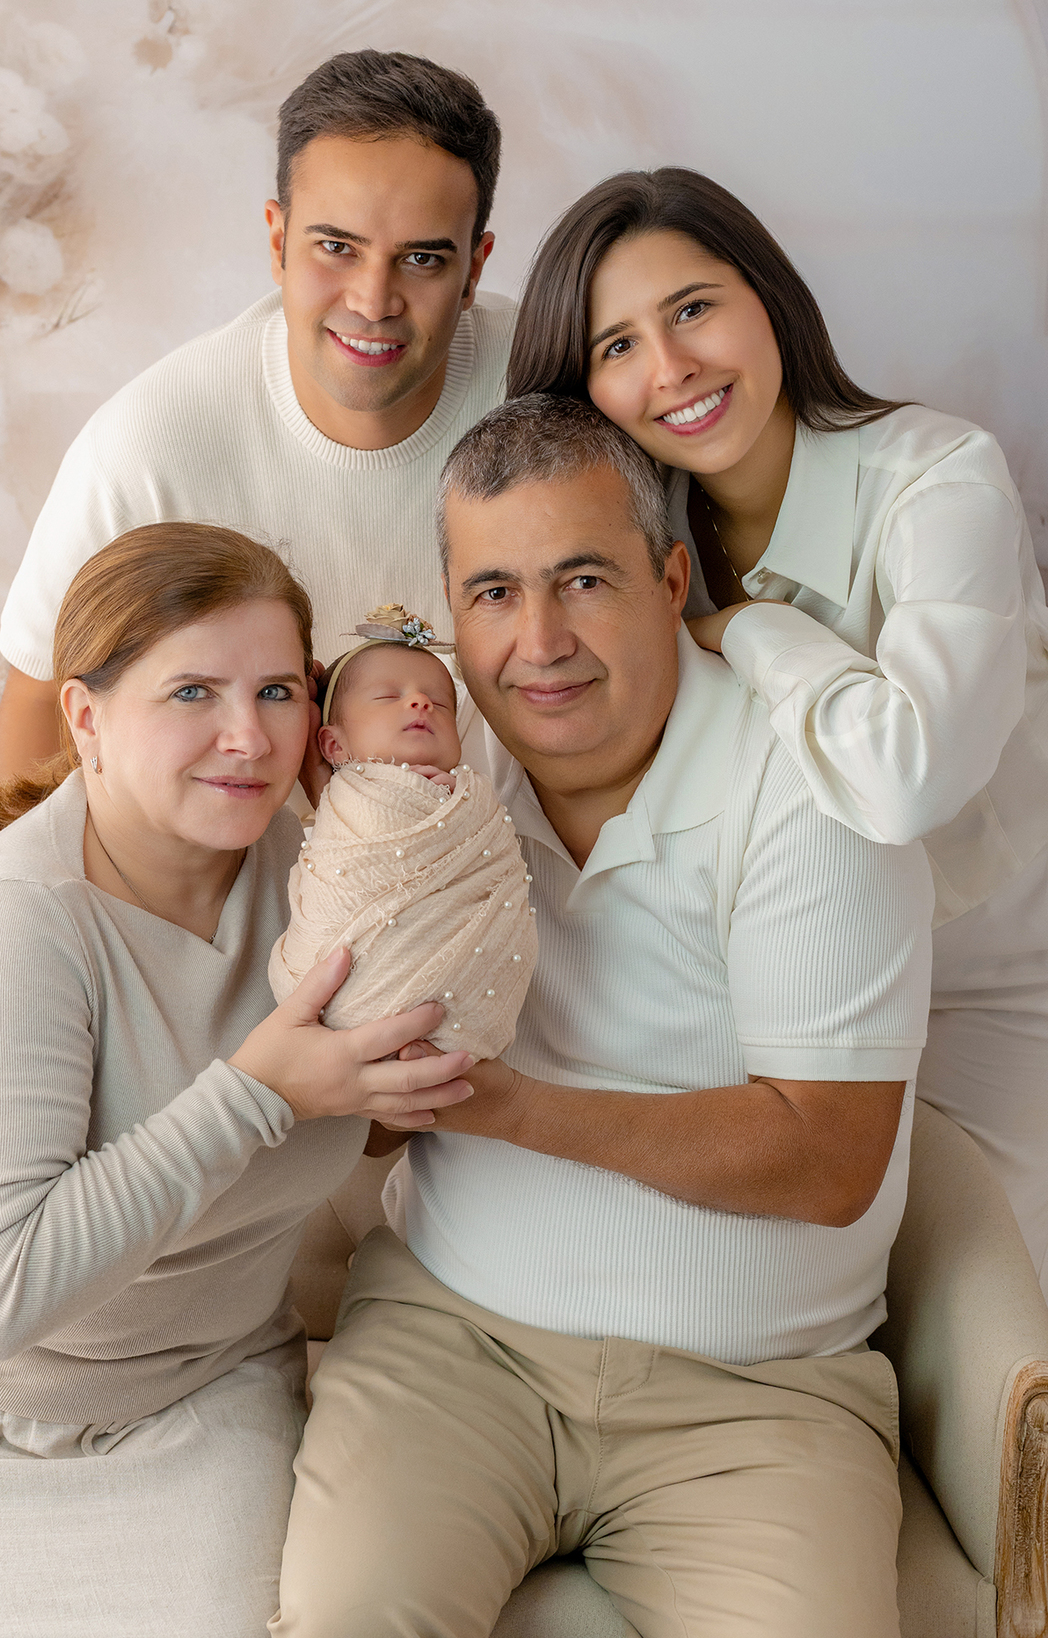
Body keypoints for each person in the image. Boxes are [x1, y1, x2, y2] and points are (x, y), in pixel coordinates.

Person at [270, 399, 934, 1638]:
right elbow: (342, 1104)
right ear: (453, 610)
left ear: (670, 576)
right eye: (494, 595)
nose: (539, 643)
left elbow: (834, 1155)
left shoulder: (804, 789)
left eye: (583, 580)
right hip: (454, 1344)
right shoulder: (424, 783)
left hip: (759, 1398)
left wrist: (513, 1109)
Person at [0, 45, 513, 1117]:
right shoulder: (153, 445)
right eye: (335, 247)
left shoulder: (549, 390)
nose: (374, 299)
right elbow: (39, 725)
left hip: (499, 924)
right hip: (261, 954)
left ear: (477, 262)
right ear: (275, 238)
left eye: (423, 259)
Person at [0, 523, 472, 1636]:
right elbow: (0, 1301)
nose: (246, 737)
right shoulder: (15, 929)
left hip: (201, 1401)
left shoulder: (329, 879)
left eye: (277, 690)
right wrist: (259, 1094)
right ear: (85, 718)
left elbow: (383, 1117)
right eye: (192, 692)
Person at [505, 167, 1048, 1288]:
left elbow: (910, 776)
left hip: (992, 982)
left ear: (769, 300)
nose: (671, 370)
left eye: (693, 308)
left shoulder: (941, 477)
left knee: (981, 1311)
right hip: (774, 987)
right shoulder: (628, 545)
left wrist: (747, 629)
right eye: (616, 346)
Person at [269, 605, 536, 1061]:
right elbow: (343, 859)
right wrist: (338, 800)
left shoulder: (471, 801)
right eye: (388, 696)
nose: (421, 702)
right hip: (344, 990)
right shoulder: (347, 802)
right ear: (333, 745)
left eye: (440, 701)